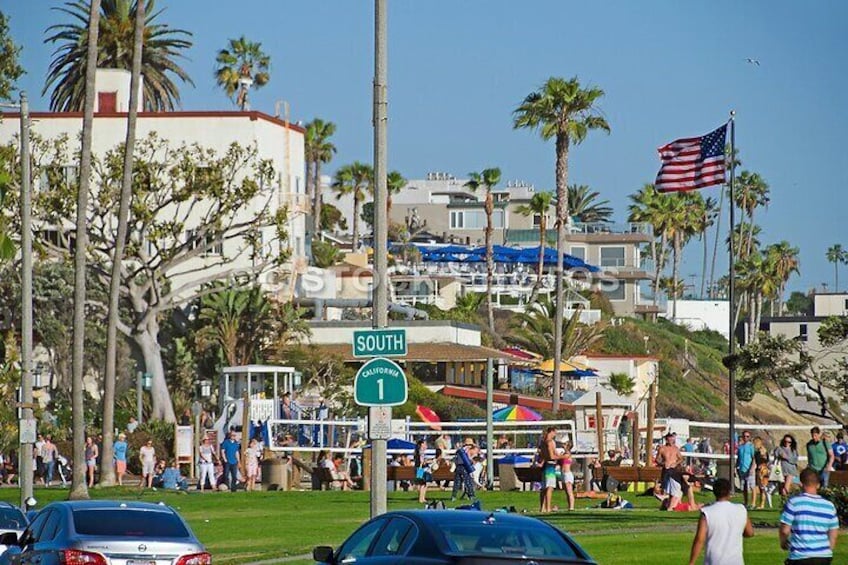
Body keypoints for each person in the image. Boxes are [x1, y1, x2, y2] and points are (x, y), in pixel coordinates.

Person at [779, 467, 839, 564]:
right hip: (823, 556)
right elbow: (833, 534)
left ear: (801, 484)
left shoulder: (794, 503)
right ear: (818, 485)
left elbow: (785, 530)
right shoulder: (829, 506)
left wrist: (783, 543)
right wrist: (828, 550)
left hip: (800, 555)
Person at [688, 477, 754, 565]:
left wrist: (692, 562)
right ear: (729, 492)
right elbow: (750, 533)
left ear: (714, 492)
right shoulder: (741, 509)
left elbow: (700, 539)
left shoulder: (707, 512)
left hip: (714, 560)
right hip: (736, 561)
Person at [535, 427, 558, 513]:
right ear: (551, 432)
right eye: (555, 433)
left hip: (545, 466)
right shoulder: (550, 442)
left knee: (544, 488)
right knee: (549, 487)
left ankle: (542, 508)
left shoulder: (542, 442)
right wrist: (563, 457)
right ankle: (548, 507)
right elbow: (552, 456)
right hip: (550, 466)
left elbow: (543, 455)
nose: (555, 435)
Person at [735, 431, 755, 508]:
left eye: (747, 436)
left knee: (752, 486)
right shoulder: (740, 447)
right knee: (744, 487)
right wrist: (736, 467)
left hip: (749, 469)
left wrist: (752, 468)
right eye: (744, 436)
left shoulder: (751, 446)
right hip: (742, 469)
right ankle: (746, 502)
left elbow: (753, 458)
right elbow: (739, 458)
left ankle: (753, 503)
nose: (746, 438)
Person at [752, 436, 770, 510]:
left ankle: (762, 504)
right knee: (759, 487)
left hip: (763, 470)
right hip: (758, 470)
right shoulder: (756, 452)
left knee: (763, 487)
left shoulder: (763, 451)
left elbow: (765, 459)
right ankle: (757, 503)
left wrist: (763, 454)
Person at [559, 443, 576, 511]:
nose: (563, 445)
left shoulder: (568, 454)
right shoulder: (563, 453)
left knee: (569, 491)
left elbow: (560, 457)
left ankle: (572, 507)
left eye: (565, 444)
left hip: (567, 474)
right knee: (566, 491)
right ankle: (569, 506)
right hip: (563, 474)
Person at [414, 439, 431, 503]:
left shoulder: (417, 451)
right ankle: (421, 499)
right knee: (423, 484)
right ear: (422, 444)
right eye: (425, 444)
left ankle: (422, 498)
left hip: (418, 468)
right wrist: (429, 461)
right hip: (421, 469)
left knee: (421, 483)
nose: (426, 445)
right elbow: (422, 462)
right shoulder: (421, 452)